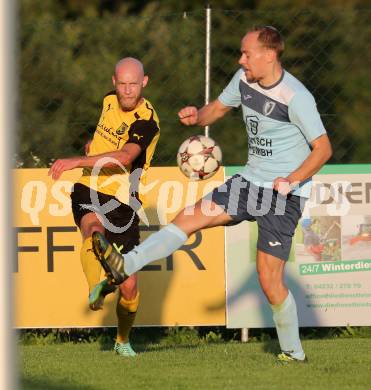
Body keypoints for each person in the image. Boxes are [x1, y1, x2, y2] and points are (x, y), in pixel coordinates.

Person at [92, 26, 332, 363]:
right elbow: (218, 109)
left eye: (247, 54)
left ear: (269, 54)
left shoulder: (297, 97)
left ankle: (293, 352)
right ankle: (125, 263)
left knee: (269, 280)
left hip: (284, 194)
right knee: (189, 217)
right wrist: (197, 117)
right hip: (249, 183)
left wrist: (291, 181)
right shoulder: (244, 80)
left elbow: (323, 149)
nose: (240, 59)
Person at [48, 57, 160, 357]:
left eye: (133, 84)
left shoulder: (146, 121)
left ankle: (122, 340)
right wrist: (91, 146)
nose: (126, 91)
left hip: (124, 202)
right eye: (121, 84)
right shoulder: (108, 102)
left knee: (130, 289)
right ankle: (95, 286)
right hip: (90, 187)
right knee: (93, 230)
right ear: (114, 82)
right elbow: (105, 136)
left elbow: (124, 157)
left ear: (144, 82)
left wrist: (76, 160)